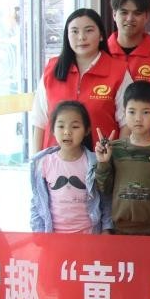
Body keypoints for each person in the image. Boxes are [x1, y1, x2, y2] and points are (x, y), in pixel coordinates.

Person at [29, 8, 130, 153]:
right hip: (54, 162)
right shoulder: (52, 69)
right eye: (74, 31)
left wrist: (119, 159)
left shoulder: (118, 71)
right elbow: (39, 122)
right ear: (67, 36)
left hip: (101, 162)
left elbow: (127, 123)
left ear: (101, 35)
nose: (81, 37)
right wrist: (36, 161)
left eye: (89, 31)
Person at [95, 81, 150, 236]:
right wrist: (103, 163)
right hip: (121, 231)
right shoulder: (115, 149)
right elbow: (104, 188)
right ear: (124, 113)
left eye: (146, 112)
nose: (138, 118)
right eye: (132, 112)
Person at [29, 100, 109, 234]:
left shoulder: (94, 162)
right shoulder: (44, 163)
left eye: (75, 127)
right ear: (53, 130)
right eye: (61, 126)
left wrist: (107, 228)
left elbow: (105, 198)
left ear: (87, 130)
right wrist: (38, 233)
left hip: (89, 235)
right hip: (54, 237)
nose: (67, 132)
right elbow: (37, 202)